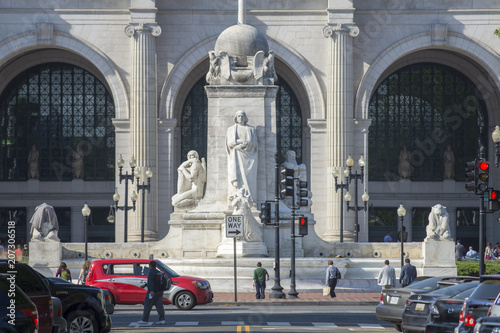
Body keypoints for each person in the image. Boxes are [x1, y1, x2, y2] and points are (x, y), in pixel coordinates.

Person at [226, 110, 258, 203]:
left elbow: (254, 143)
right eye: (239, 116)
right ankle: (236, 195)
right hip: (236, 156)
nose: (240, 118)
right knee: (237, 177)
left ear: (245, 118)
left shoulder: (251, 129)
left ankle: (250, 199)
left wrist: (246, 144)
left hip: (249, 157)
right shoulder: (231, 129)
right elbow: (230, 143)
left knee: (249, 178)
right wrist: (239, 141)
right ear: (235, 118)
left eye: (242, 116)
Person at [138, 261, 165, 325]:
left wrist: (151, 290)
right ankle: (162, 319)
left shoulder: (151, 272)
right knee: (159, 306)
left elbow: (151, 282)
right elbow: (154, 281)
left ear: (150, 265)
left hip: (153, 292)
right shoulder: (157, 272)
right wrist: (145, 285)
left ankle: (145, 320)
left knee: (147, 305)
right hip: (159, 291)